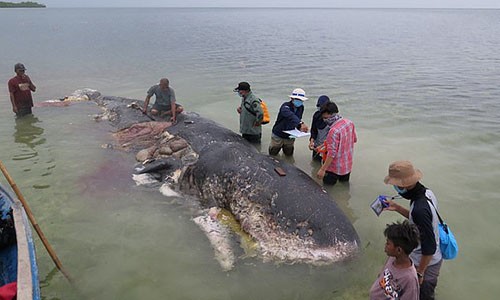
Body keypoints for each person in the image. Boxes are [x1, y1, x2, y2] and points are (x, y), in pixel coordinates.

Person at [383, 161, 443, 300]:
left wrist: (420, 272)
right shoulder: (427, 193)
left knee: (422, 295)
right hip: (431, 256)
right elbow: (419, 220)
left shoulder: (419, 210)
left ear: (405, 185)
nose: (395, 188)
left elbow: (429, 247)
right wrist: (397, 208)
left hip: (426, 262)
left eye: (395, 185)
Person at [369, 220, 420, 300]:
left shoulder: (410, 279)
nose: (385, 245)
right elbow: (382, 274)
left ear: (399, 250)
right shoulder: (392, 258)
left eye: (388, 243)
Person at [316, 102, 357, 185]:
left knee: (327, 189)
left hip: (334, 168)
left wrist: (322, 169)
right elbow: (354, 139)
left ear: (332, 114)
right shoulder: (349, 123)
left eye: (325, 117)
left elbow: (331, 154)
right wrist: (325, 145)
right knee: (344, 187)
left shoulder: (333, 131)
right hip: (347, 165)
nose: (324, 120)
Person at [268, 88, 309, 156]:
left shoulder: (301, 107)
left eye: (301, 100)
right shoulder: (285, 106)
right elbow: (290, 115)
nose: (299, 101)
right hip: (278, 134)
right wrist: (301, 123)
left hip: (291, 135)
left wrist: (300, 128)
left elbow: (297, 119)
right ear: (292, 99)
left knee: (289, 154)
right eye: (297, 99)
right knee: (273, 153)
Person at [308, 95, 331, 161]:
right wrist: (311, 141)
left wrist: (322, 146)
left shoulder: (331, 119)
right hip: (317, 145)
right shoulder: (316, 115)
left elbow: (332, 138)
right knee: (315, 162)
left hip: (327, 147)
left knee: (325, 165)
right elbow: (313, 130)